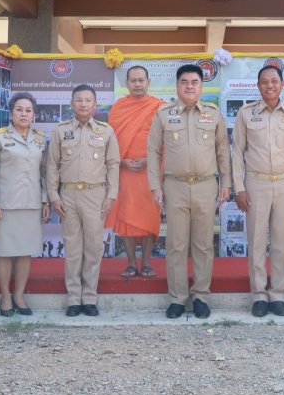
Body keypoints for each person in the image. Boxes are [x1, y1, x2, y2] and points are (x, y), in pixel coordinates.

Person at [147, 64, 231, 319]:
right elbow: (153, 151)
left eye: (194, 82)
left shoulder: (213, 115)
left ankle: (201, 296)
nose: (189, 87)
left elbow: (222, 151)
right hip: (175, 186)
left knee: (203, 245)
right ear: (177, 86)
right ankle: (177, 298)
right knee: (176, 244)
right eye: (184, 82)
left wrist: (226, 183)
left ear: (201, 86)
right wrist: (155, 185)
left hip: (206, 185)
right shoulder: (164, 115)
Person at [232, 64, 284, 317]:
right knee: (256, 241)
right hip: (255, 183)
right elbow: (237, 152)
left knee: (281, 243)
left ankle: (278, 295)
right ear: (258, 86)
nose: (269, 85)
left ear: (282, 85)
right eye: (264, 81)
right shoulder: (246, 113)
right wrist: (239, 188)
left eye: (274, 81)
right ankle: (259, 295)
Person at [46, 84, 120, 317]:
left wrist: (111, 195)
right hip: (67, 195)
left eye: (88, 100)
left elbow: (113, 165)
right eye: (79, 100)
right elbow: (51, 165)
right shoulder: (61, 130)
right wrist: (54, 196)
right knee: (73, 248)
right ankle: (73, 299)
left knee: (94, 247)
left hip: (95, 194)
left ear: (95, 105)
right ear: (72, 104)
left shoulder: (105, 131)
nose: (83, 104)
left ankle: (89, 298)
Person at [0, 92, 50, 316]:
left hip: (31, 204)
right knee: (4, 252)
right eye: (19, 110)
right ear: (11, 113)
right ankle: (5, 295)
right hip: (5, 204)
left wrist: (45, 200)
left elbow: (44, 173)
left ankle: (19, 295)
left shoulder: (40, 139)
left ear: (34, 115)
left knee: (25, 252)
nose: (24, 114)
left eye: (28, 110)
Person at [106, 66, 164, 279]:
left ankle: (146, 263)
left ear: (149, 82)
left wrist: (150, 161)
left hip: (151, 173)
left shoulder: (159, 107)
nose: (138, 84)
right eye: (133, 80)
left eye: (141, 80)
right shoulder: (119, 108)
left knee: (149, 217)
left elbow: (167, 142)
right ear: (127, 83)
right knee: (126, 218)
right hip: (126, 172)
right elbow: (110, 143)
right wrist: (122, 162)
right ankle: (131, 263)